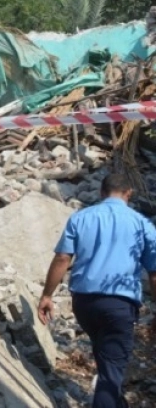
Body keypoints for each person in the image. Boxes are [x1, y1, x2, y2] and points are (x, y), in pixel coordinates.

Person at [38, 173, 156, 408]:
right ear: (129, 194)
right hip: (120, 305)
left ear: (102, 193)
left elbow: (63, 257)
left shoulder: (80, 218)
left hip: (84, 303)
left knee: (106, 359)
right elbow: (154, 272)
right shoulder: (142, 224)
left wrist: (47, 295)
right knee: (111, 371)